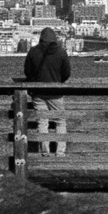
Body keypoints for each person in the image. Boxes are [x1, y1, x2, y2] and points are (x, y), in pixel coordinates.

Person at [20, 25, 71, 155]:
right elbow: (66, 73)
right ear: (54, 38)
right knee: (60, 122)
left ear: (41, 38)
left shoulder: (33, 51)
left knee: (42, 122)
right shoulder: (61, 52)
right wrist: (58, 81)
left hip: (38, 93)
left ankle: (45, 152)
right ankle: (60, 153)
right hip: (56, 93)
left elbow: (27, 72)